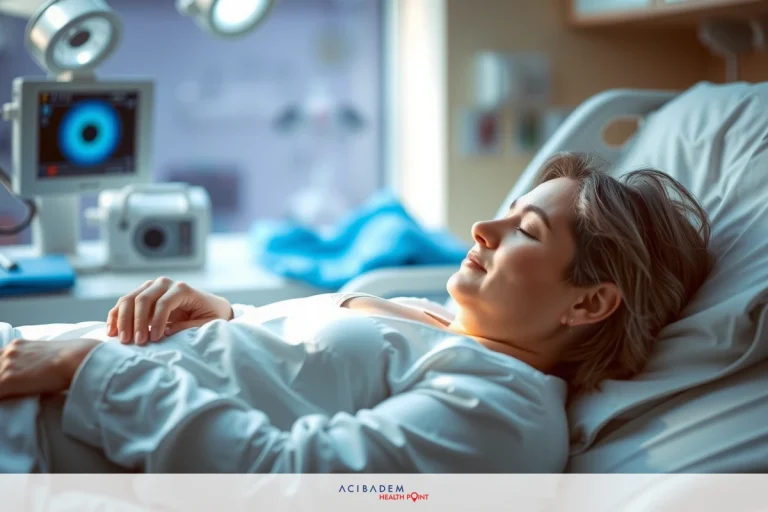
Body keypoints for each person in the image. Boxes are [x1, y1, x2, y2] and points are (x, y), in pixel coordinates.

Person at [0, 153, 714, 473]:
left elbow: (293, 481)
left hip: (29, 439)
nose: (483, 232)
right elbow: (295, 375)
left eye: (526, 231)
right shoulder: (428, 316)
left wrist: (87, 366)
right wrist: (221, 315)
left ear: (588, 301)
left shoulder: (503, 418)